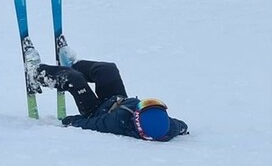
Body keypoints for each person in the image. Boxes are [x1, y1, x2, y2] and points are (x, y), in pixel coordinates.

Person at [32, 46, 188, 141]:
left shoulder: (115, 123)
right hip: (117, 99)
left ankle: (38, 74)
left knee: (74, 80)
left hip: (95, 111)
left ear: (136, 120)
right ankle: (74, 65)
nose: (141, 104)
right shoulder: (167, 126)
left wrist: (69, 121)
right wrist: (182, 128)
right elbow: (181, 126)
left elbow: (89, 124)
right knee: (107, 69)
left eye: (142, 108)